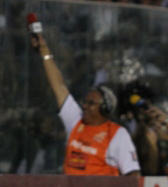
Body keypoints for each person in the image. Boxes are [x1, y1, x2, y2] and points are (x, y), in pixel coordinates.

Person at [31, 32, 140, 177]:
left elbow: (133, 174)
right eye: (85, 102)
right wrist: (44, 52)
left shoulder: (117, 135)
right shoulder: (76, 121)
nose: (85, 106)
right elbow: (58, 86)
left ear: (104, 108)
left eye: (91, 103)